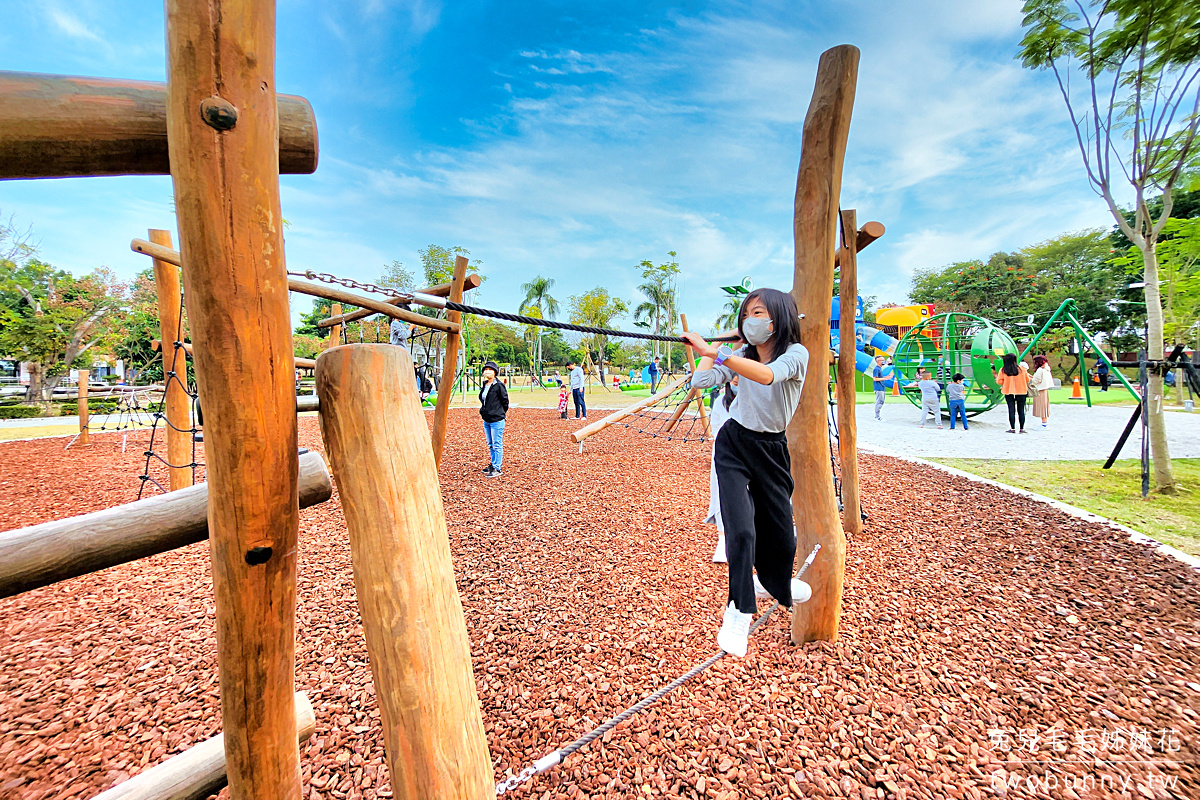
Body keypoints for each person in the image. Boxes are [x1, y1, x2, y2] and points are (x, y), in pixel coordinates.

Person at [684, 287, 814, 659]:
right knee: (740, 529)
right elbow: (701, 382)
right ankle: (738, 611)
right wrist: (707, 351)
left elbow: (769, 376)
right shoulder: (739, 354)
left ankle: (776, 584)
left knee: (781, 533)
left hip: (772, 449)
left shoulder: (796, 354)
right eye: (746, 314)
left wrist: (717, 351)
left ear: (778, 317)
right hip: (735, 444)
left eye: (758, 312)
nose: (750, 320)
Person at [705, 375, 739, 563]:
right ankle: (722, 540)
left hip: (751, 451)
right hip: (726, 452)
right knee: (721, 494)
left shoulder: (753, 397)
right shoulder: (721, 401)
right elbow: (716, 430)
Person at [478, 360, 509, 477]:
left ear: (495, 372)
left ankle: (497, 467)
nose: (488, 372)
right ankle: (493, 463)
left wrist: (500, 412)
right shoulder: (485, 385)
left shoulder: (499, 385)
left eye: (490, 370)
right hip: (487, 419)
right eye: (486, 370)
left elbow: (505, 401)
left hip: (497, 419)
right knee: (490, 443)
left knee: (497, 443)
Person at [996, 353, 1030, 433]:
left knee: (1011, 409)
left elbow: (999, 381)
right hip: (1021, 391)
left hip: (1008, 391)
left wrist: (1006, 382)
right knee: (1021, 410)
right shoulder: (1022, 369)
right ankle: (1022, 428)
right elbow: (1027, 379)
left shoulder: (1003, 370)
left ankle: (1012, 428)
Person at [1030, 355, 1053, 428]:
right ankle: (1044, 423)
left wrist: (1030, 379)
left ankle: (1044, 424)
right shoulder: (1046, 369)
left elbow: (1036, 380)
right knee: (1044, 406)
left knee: (1041, 406)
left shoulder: (1040, 370)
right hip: (1044, 389)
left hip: (1040, 389)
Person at [871, 354, 888, 421]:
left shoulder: (879, 369)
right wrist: (884, 378)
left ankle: (877, 416)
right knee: (879, 402)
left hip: (881, 387)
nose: (884, 361)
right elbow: (875, 379)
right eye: (882, 360)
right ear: (878, 361)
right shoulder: (876, 369)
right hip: (879, 388)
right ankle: (877, 417)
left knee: (881, 401)